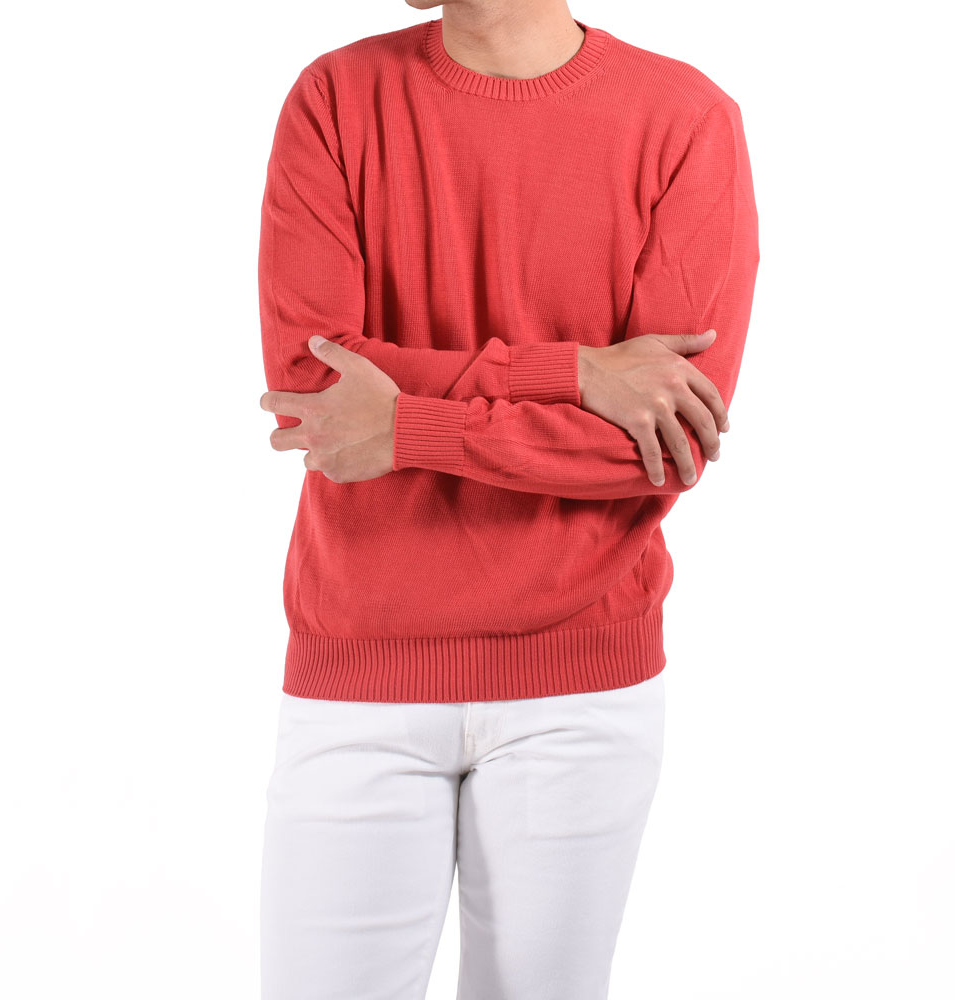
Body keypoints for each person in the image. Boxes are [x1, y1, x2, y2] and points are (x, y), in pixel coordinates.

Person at [256, 0, 759, 996]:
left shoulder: (684, 118)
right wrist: (575, 373)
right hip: (358, 668)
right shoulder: (335, 98)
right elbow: (315, 387)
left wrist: (408, 426)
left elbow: (661, 442)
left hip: (580, 687)